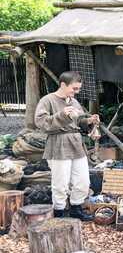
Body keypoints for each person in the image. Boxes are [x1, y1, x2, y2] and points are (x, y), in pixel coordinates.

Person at [34, 71, 99, 221]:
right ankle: (59, 212)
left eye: (78, 89)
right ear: (63, 84)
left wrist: (88, 121)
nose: (76, 92)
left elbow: (78, 122)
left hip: (76, 143)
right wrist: (62, 115)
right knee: (61, 182)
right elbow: (41, 123)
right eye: (74, 88)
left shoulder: (74, 102)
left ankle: (76, 208)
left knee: (83, 180)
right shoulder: (48, 100)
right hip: (58, 142)